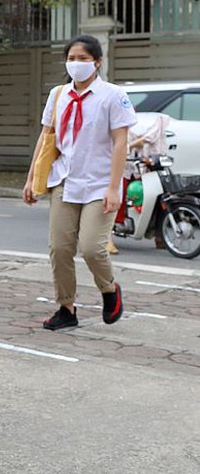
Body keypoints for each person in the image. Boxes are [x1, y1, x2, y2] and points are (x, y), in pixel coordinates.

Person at [22, 35, 136, 330]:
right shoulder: (58, 94)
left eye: (83, 59)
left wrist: (114, 187)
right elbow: (46, 137)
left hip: (100, 184)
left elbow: (121, 143)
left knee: (91, 248)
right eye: (72, 58)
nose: (76, 64)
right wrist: (33, 177)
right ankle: (66, 308)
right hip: (64, 180)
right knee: (59, 248)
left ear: (97, 62)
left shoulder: (113, 95)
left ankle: (109, 289)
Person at [108, 113, 171, 253]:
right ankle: (107, 238)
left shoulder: (158, 122)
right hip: (125, 166)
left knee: (158, 200)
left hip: (148, 168)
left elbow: (153, 143)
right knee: (118, 198)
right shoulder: (125, 124)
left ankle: (158, 236)